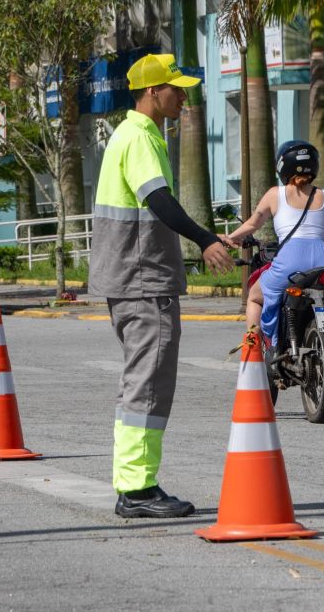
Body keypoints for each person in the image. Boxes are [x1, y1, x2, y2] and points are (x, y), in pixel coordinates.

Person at [89, 53, 234, 518]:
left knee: (142, 381)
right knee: (147, 383)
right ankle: (137, 489)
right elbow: (159, 201)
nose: (183, 97)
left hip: (135, 277)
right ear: (153, 92)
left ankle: (135, 483)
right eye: (177, 89)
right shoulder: (139, 138)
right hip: (142, 279)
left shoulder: (134, 134)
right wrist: (206, 240)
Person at [222, 140, 324, 346]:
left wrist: (229, 238)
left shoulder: (275, 194)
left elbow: (252, 224)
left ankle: (253, 346)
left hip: (290, 261)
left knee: (254, 297)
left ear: (282, 166)